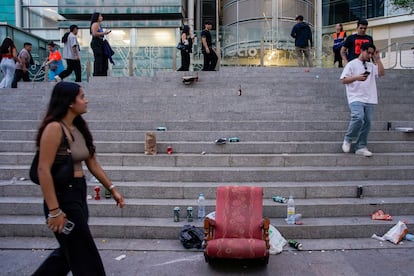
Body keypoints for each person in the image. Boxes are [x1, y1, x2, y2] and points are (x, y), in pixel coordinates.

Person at [32, 82, 125, 275]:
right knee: (86, 258)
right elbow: (43, 169)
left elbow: (93, 164)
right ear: (69, 103)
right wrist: (55, 211)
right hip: (63, 198)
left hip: (78, 195)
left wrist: (112, 188)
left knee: (69, 254)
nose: (86, 100)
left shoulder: (78, 128)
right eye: (82, 97)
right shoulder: (54, 128)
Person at [340, 42, 384, 157]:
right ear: (361, 51)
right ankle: (348, 138)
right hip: (355, 97)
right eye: (368, 53)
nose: (369, 55)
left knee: (367, 123)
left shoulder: (371, 66)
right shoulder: (351, 64)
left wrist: (377, 59)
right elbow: (344, 80)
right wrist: (357, 78)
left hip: (370, 98)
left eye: (371, 53)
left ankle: (361, 146)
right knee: (358, 117)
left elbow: (381, 73)